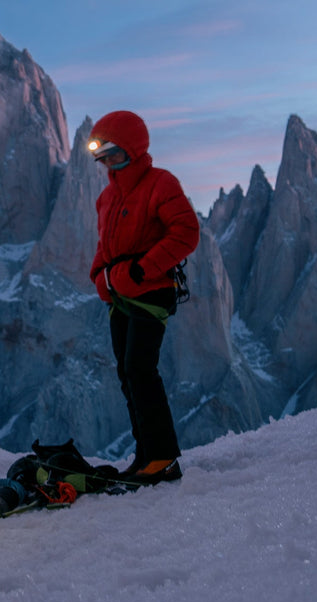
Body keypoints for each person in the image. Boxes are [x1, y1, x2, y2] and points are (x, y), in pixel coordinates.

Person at [85, 110, 200, 485]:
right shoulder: (106, 198)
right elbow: (106, 246)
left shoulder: (160, 183)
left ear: (134, 149)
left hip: (152, 292)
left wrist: (142, 270)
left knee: (140, 369)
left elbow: (186, 232)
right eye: (104, 158)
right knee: (127, 372)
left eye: (115, 156)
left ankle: (164, 458)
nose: (110, 164)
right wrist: (100, 278)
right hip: (119, 296)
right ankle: (146, 457)